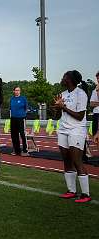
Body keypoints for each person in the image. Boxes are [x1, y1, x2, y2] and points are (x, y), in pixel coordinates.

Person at [54, 70, 91, 203]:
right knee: (67, 160)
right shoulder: (63, 94)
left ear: (70, 79)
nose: (62, 78)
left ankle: (85, 194)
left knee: (77, 161)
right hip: (63, 129)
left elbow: (80, 116)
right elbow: (57, 116)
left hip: (76, 130)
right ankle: (71, 191)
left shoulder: (81, 94)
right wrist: (58, 108)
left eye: (64, 76)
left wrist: (63, 107)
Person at [9, 86, 29, 156]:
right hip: (13, 119)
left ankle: (25, 150)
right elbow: (10, 109)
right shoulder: (12, 99)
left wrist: (23, 115)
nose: (17, 91)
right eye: (16, 90)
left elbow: (26, 108)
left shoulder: (23, 99)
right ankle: (16, 150)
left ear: (20, 91)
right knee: (14, 135)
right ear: (13, 91)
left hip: (21, 118)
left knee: (22, 134)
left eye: (18, 90)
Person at [89, 71, 99, 136]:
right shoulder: (94, 90)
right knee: (95, 135)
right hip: (96, 114)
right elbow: (91, 104)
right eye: (97, 78)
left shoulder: (96, 90)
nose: (98, 80)